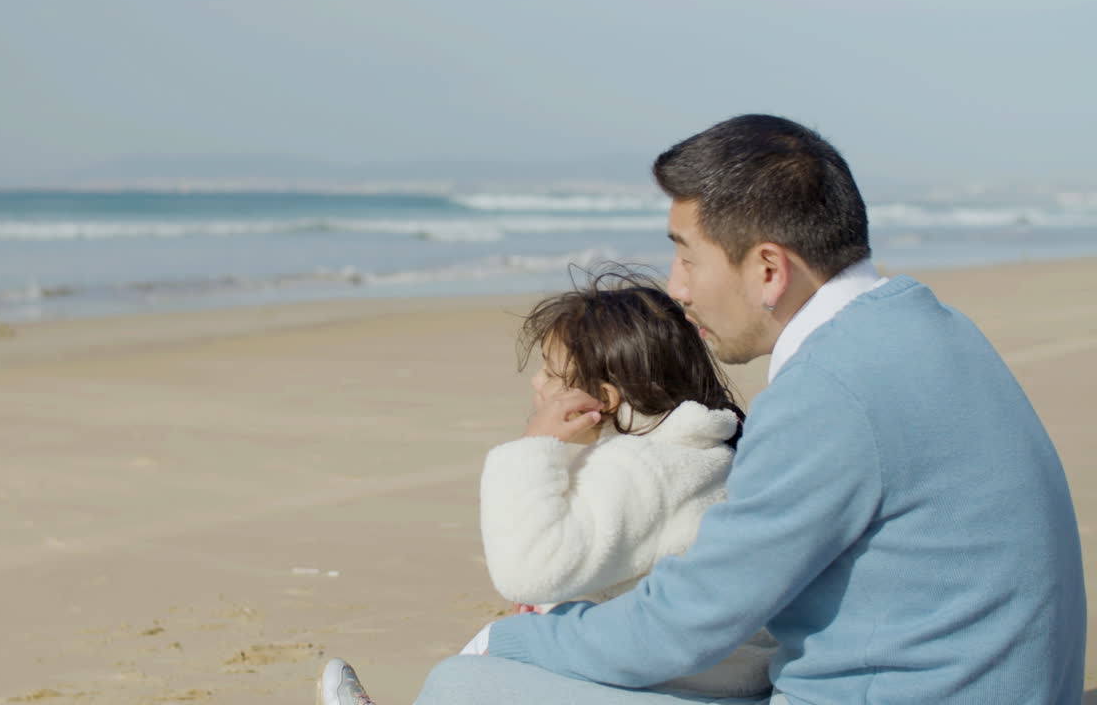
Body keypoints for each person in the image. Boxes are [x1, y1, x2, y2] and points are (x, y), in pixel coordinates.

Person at [411, 114, 1086, 704]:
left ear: (768, 270)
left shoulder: (828, 393)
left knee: (462, 686)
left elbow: (678, 629)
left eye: (687, 258)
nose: (676, 290)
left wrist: (509, 637)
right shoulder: (931, 329)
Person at [318, 271, 777, 704]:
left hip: (684, 688)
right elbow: (620, 559)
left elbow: (526, 570)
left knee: (457, 682)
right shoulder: (705, 450)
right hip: (713, 678)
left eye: (553, 374)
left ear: (604, 398)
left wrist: (534, 448)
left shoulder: (638, 466)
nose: (538, 383)